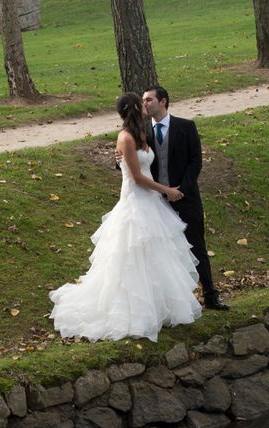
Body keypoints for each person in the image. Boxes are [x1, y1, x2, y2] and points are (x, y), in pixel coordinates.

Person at [49, 92, 202, 342]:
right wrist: (168, 191)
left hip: (150, 204)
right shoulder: (126, 137)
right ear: (133, 108)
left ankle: (158, 308)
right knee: (132, 259)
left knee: (155, 258)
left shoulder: (143, 134)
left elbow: (143, 165)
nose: (145, 106)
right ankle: (132, 313)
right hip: (135, 201)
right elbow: (137, 178)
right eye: (141, 103)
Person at [141, 85, 229, 310]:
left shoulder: (186, 127)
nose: (145, 104)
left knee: (197, 245)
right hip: (155, 202)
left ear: (163, 102)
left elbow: (195, 161)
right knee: (163, 252)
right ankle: (174, 302)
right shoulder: (142, 132)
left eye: (149, 100)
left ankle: (210, 295)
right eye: (143, 100)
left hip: (186, 198)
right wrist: (118, 156)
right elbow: (132, 162)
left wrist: (182, 190)